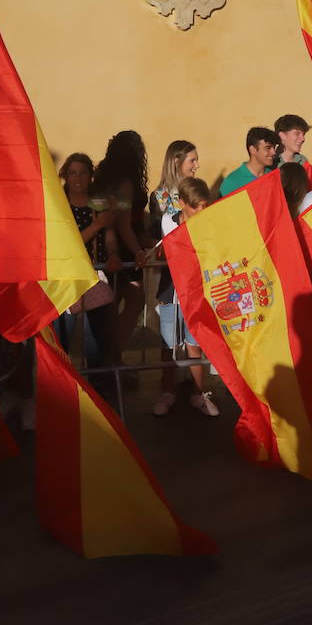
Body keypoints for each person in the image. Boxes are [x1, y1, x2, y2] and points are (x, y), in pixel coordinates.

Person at [153, 177, 218, 418]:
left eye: (204, 206)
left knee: (195, 344)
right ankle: (167, 392)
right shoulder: (167, 222)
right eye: (195, 207)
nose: (201, 211)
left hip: (197, 291)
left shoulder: (209, 223)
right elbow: (167, 252)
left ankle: (198, 394)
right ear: (182, 203)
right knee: (168, 344)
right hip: (171, 290)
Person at [54, 153, 119, 384]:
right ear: (65, 176)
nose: (77, 178)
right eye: (72, 173)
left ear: (90, 176)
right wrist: (97, 224)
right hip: (66, 281)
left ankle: (99, 395)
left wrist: (113, 253)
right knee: (61, 342)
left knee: (97, 344)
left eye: (82, 173)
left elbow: (109, 235)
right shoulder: (58, 205)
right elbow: (66, 244)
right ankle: (60, 391)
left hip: (95, 277)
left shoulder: (98, 202)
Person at [93, 130, 150, 359]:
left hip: (106, 245)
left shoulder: (104, 178)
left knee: (112, 307)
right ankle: (112, 356)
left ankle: (110, 359)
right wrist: (137, 250)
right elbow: (125, 224)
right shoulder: (126, 183)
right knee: (136, 299)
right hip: (124, 248)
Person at [219, 127, 279, 196]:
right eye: (268, 148)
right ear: (252, 150)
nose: (274, 152)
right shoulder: (232, 182)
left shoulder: (274, 177)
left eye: (274, 147)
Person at [150, 140, 199, 221]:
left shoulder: (196, 191)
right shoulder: (161, 196)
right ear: (177, 162)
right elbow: (158, 230)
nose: (197, 165)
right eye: (192, 160)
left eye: (197, 160)